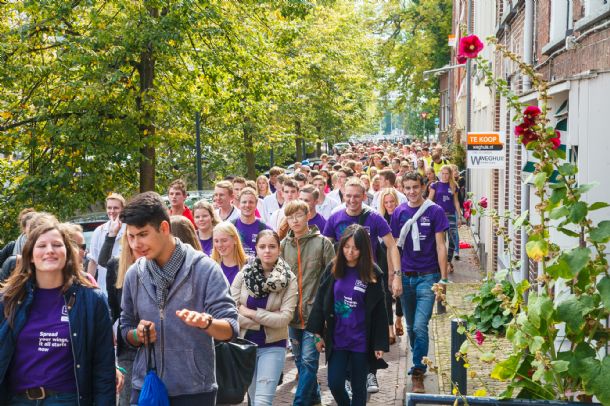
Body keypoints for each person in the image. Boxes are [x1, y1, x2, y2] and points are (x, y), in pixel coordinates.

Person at [120, 191, 238, 405]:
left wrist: (207, 323)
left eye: (143, 234)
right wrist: (137, 335)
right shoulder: (134, 274)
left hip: (194, 390)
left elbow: (231, 327)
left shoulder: (205, 269)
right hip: (146, 386)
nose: (136, 244)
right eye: (131, 236)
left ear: (164, 228)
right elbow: (125, 327)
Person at [0, 219, 116, 405]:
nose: (50, 250)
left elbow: (103, 368)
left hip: (67, 400)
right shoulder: (9, 299)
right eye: (41, 246)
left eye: (56, 245)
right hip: (17, 400)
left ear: (67, 253)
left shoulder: (92, 300)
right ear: (30, 255)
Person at [322, 178, 400, 394]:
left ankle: (370, 372)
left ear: (364, 196)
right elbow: (325, 248)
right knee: (345, 324)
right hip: (343, 278)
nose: (352, 200)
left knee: (369, 323)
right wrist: (325, 278)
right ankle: (348, 376)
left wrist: (395, 275)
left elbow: (391, 245)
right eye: (348, 195)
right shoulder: (335, 217)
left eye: (357, 196)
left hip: (368, 279)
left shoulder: (374, 217)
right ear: (343, 195)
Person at [307, 224, 389, 406]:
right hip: (338, 338)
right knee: (335, 383)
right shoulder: (333, 267)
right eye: (346, 247)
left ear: (363, 249)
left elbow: (379, 311)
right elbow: (321, 300)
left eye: (355, 248)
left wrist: (379, 343)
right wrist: (317, 333)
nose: (350, 252)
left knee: (359, 387)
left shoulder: (373, 273)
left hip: (361, 340)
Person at [390, 172, 449, 393]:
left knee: (419, 326)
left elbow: (441, 246)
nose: (412, 191)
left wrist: (443, 278)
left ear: (423, 186)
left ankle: (418, 370)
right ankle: (419, 357)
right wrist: (395, 275)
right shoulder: (398, 212)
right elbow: (394, 247)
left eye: (415, 187)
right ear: (402, 189)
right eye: (407, 188)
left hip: (428, 276)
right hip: (406, 276)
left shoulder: (435, 211)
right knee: (411, 327)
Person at [231, 230, 297, 406]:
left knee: (262, 402)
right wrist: (267, 319)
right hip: (246, 347)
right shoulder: (244, 275)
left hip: (273, 345)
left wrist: (249, 312)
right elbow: (230, 310)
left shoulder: (289, 279)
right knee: (253, 400)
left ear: (279, 249)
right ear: (256, 249)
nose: (267, 250)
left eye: (272, 246)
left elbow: (284, 318)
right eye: (262, 246)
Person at [280, 200, 335, 406]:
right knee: (299, 361)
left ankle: (300, 402)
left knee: (309, 362)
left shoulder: (323, 243)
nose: (294, 220)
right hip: (292, 314)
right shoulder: (283, 246)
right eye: (290, 217)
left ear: (308, 216)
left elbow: (333, 279)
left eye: (299, 215)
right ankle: (315, 399)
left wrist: (328, 314)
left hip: (315, 315)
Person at [98, 231, 141, 406]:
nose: (138, 242)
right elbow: (113, 307)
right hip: (127, 345)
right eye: (132, 236)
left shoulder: (158, 263)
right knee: (127, 399)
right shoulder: (115, 265)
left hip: (158, 343)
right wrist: (107, 330)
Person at [377, 188, 405, 345]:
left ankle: (399, 319)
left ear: (396, 201)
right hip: (383, 255)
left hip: (400, 253)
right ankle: (389, 329)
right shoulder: (380, 219)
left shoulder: (401, 217)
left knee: (400, 290)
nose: (389, 205)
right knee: (386, 292)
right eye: (386, 202)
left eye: (391, 201)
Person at [88, 193, 126, 295]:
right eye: (109, 208)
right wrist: (89, 286)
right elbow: (93, 261)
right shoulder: (99, 231)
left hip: (124, 288)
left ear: (122, 209)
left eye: (116, 208)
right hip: (104, 289)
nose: (112, 211)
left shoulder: (129, 230)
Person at [427, 165, 462, 272]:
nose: (445, 176)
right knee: (440, 241)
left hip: (451, 215)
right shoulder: (435, 185)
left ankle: (448, 261)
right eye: (443, 173)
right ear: (440, 174)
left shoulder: (454, 186)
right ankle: (440, 262)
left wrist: (459, 216)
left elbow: (456, 201)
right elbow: (429, 200)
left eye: (447, 174)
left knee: (453, 239)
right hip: (438, 216)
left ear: (450, 174)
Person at [233, 188, 271, 257]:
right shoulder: (231, 226)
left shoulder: (265, 229)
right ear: (239, 204)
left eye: (251, 202)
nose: (247, 205)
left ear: (256, 204)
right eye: (244, 202)